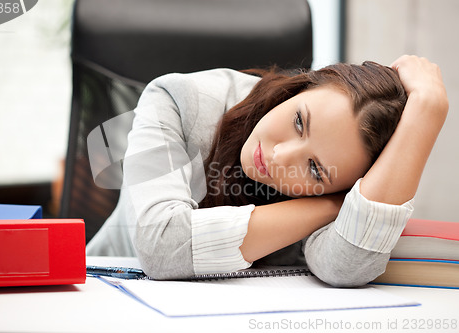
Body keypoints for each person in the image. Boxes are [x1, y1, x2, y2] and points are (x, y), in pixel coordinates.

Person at [86, 55, 448, 287]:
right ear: (301, 86)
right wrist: (333, 205)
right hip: (105, 286)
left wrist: (426, 115)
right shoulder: (178, 99)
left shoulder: (343, 175)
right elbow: (160, 244)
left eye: (315, 169)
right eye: (298, 121)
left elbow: (344, 268)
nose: (279, 156)